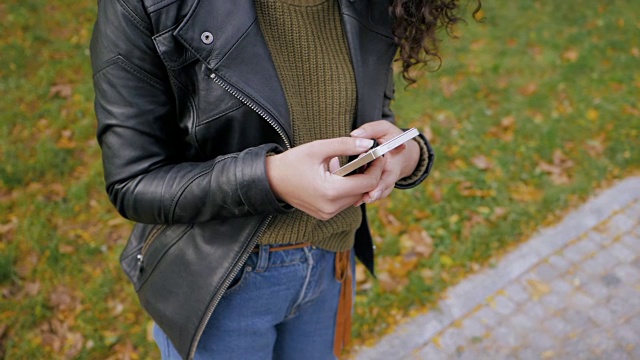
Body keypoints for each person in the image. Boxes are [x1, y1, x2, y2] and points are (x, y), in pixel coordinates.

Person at [90, 0, 478, 359]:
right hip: (221, 286)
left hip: (332, 265)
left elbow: (373, 110)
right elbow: (133, 180)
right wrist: (269, 178)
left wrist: (406, 154)